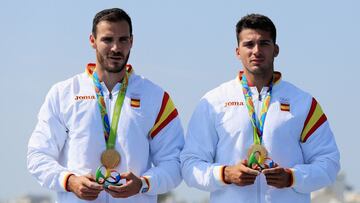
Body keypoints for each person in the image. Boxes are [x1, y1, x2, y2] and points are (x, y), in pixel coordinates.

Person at [27, 8, 184, 203]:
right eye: (107, 40)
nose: (116, 48)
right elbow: (38, 155)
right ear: (92, 41)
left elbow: (175, 163)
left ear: (132, 41)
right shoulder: (63, 94)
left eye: (123, 40)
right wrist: (69, 181)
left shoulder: (156, 97)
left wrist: (143, 184)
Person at [180, 14, 340, 203]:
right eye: (249, 44)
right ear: (237, 51)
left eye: (264, 43)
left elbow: (329, 163)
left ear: (276, 49)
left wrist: (293, 177)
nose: (256, 51)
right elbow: (190, 165)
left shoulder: (303, 103)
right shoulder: (214, 102)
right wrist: (226, 174)